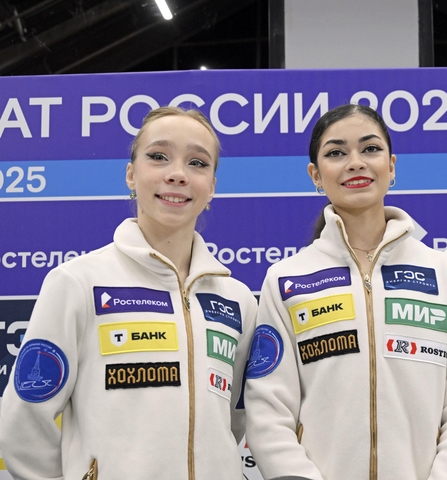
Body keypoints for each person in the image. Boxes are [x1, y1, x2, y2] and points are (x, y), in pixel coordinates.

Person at [0, 106, 257, 480]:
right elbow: (23, 424)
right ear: (131, 175)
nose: (177, 174)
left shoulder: (238, 300)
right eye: (158, 156)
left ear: (212, 187)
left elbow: (231, 421)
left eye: (197, 163)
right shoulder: (77, 282)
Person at [244, 104, 447, 480]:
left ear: (391, 166)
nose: (355, 163)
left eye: (370, 149)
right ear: (315, 175)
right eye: (336, 153)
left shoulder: (446, 273)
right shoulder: (285, 279)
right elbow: (268, 409)